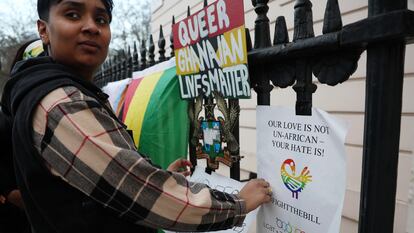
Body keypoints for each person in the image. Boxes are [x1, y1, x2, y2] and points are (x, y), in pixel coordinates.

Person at [1, 1, 272, 233]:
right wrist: (239, 204)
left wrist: (155, 176)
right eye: (72, 14)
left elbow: (92, 187)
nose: (91, 26)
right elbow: (145, 194)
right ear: (43, 29)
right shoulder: (62, 104)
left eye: (101, 19)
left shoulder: (58, 92)